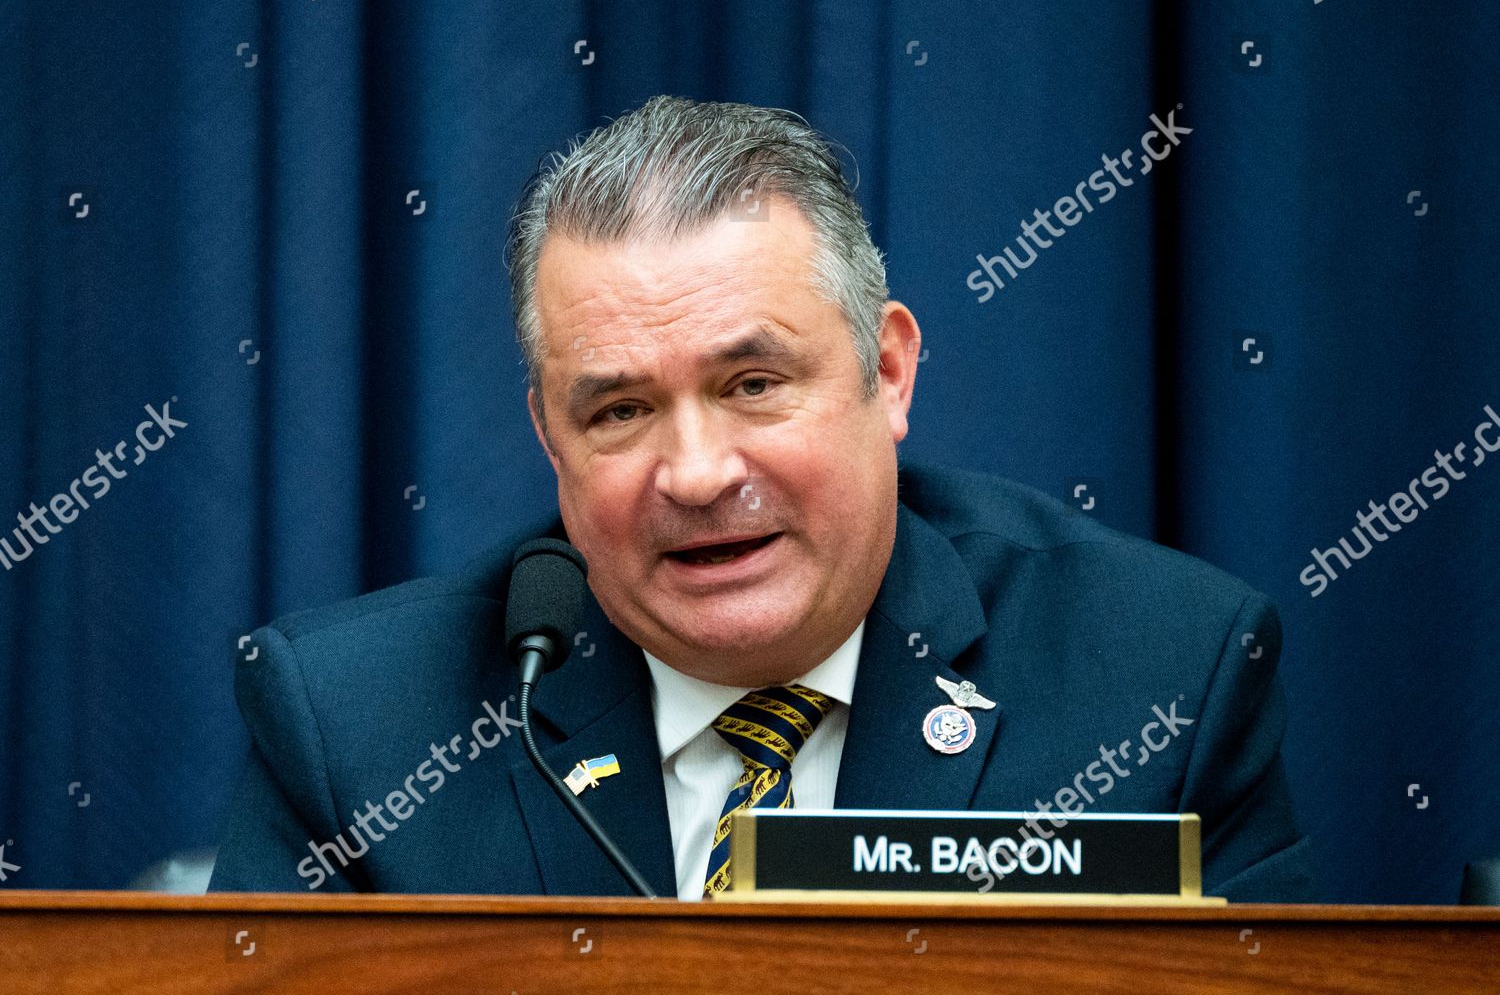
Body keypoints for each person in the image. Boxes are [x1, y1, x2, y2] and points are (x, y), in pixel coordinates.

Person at [209, 95, 1312, 902]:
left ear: (888, 372)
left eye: (752, 385)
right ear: (550, 436)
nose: (695, 473)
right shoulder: (361, 732)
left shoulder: (1160, 679)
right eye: (619, 412)